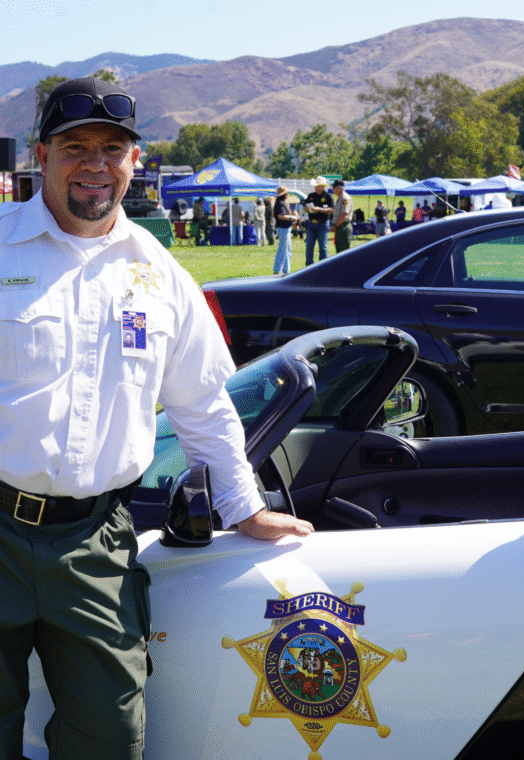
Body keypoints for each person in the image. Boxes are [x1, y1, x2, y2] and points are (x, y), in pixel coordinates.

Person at [0, 77, 313, 760]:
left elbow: (202, 402)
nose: (94, 163)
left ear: (134, 162)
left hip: (93, 541)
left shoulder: (158, 271)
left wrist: (244, 507)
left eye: (112, 148)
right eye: (75, 146)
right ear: (41, 155)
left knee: (109, 737)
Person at [303, 176, 334, 265]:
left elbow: (332, 210)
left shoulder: (328, 196)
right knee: (309, 247)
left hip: (323, 224)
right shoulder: (311, 195)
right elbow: (305, 205)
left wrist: (319, 209)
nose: (317, 188)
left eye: (319, 186)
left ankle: (322, 267)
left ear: (323, 186)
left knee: (323, 247)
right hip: (311, 224)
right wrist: (306, 208)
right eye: (316, 186)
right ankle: (308, 268)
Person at [273, 184, 296, 274]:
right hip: (283, 228)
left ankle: (286, 271)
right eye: (287, 193)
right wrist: (291, 217)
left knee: (287, 250)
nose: (288, 194)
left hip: (285, 228)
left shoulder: (281, 203)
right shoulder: (280, 203)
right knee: (282, 250)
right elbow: (281, 216)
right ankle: (277, 270)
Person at [330, 180, 353, 253]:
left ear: (339, 188)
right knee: (339, 252)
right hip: (339, 227)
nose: (333, 190)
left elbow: (344, 214)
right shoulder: (340, 198)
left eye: (334, 188)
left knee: (344, 252)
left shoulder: (345, 198)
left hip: (343, 227)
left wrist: (335, 226)